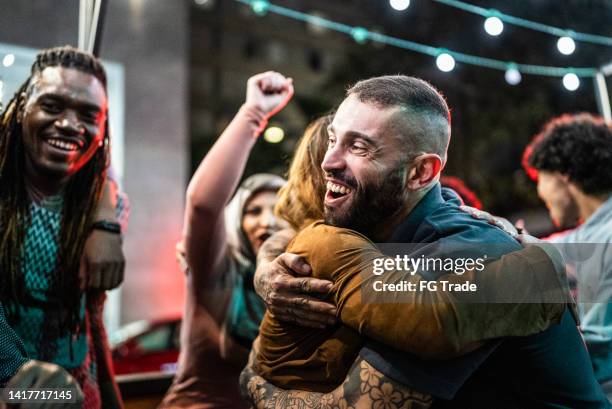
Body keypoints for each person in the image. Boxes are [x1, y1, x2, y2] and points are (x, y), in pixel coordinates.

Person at [241, 75, 609, 408]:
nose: (329, 161)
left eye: (359, 148)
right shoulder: (378, 225)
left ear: (421, 172)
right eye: (334, 139)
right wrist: (267, 272)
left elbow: (357, 406)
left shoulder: (460, 254)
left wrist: (254, 383)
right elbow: (298, 231)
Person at [0, 46, 127, 408]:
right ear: (23, 105)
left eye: (88, 114)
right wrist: (16, 372)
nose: (70, 124)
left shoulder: (110, 206)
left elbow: (92, 317)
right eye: (52, 106)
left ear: (103, 128)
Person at [159, 71, 292, 408]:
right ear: (236, 221)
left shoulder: (296, 287)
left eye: (277, 208)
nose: (266, 220)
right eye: (253, 210)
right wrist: (253, 114)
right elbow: (203, 204)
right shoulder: (216, 271)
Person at [523, 113, 612, 399]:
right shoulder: (593, 232)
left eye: (540, 178)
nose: (540, 192)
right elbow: (554, 245)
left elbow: (604, 346)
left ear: (564, 176)